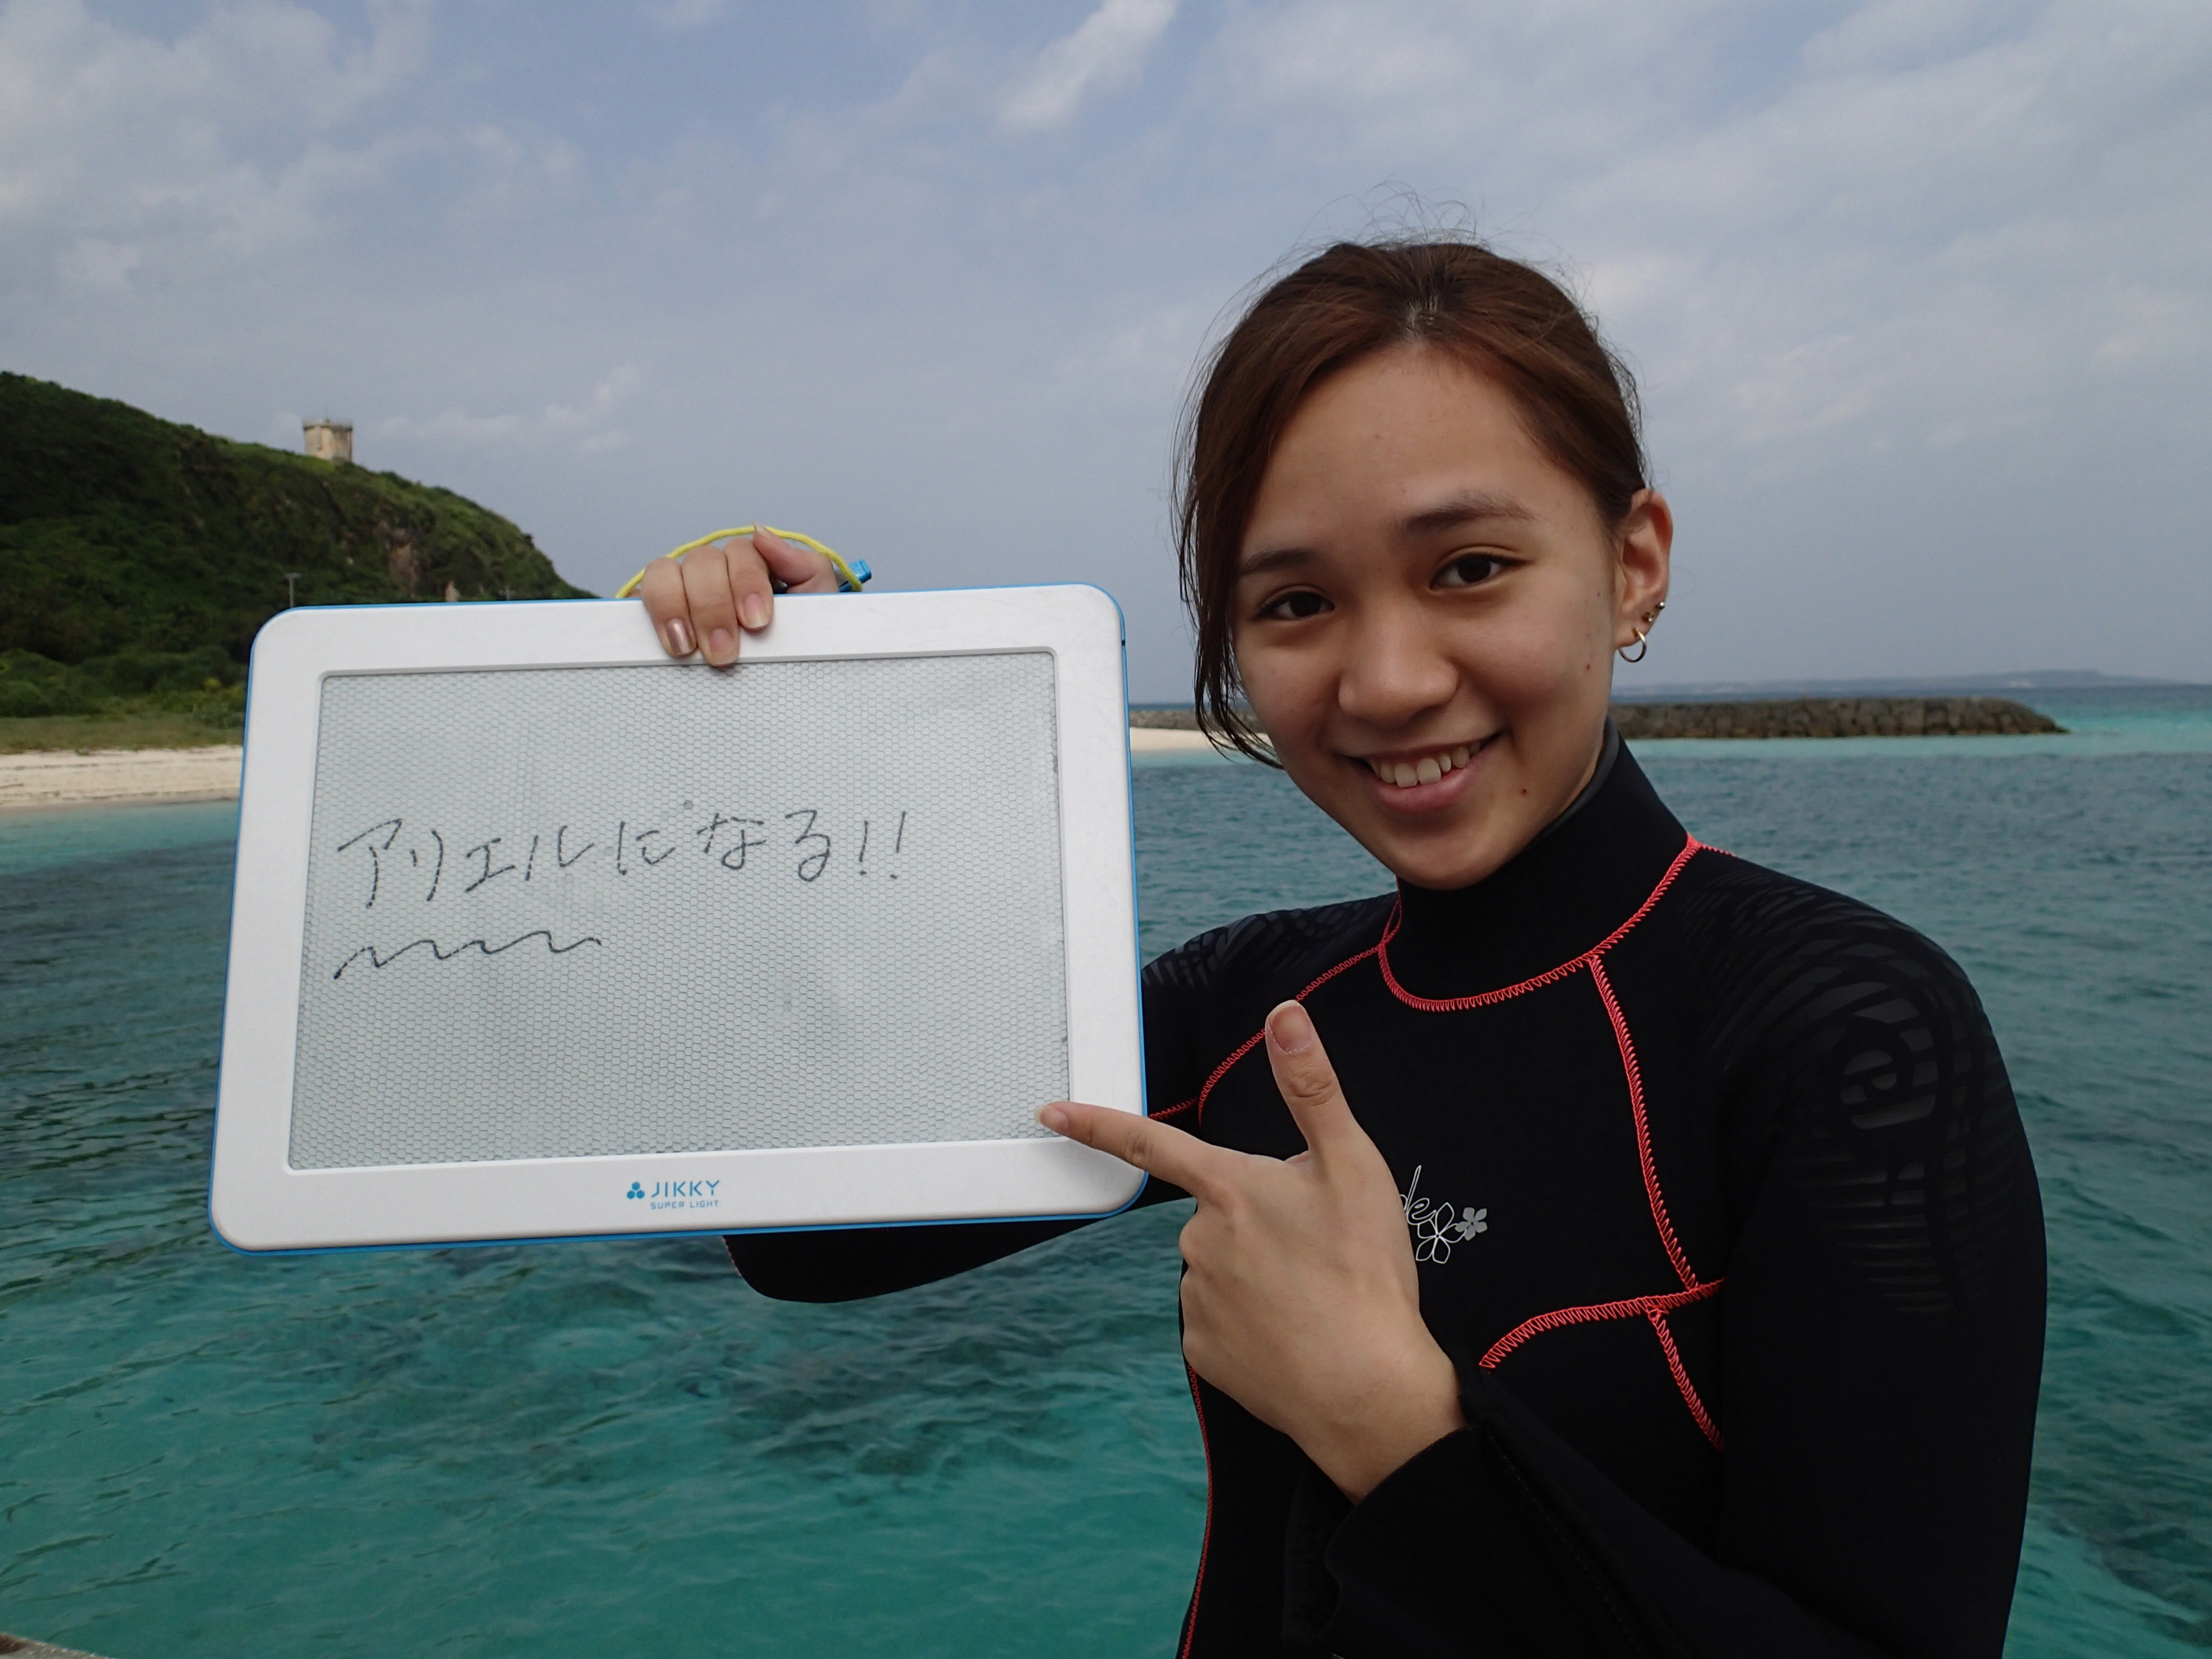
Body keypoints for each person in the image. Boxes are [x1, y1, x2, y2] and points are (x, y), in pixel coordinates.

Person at [637, 237, 2046, 1658]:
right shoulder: (1251, 1007)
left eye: (1470, 568)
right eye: (1297, 603)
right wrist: (814, 723)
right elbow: (807, 1239)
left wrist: (1392, 1428)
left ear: (1632, 568)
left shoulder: (1840, 1032)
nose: (1386, 682)